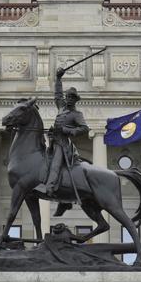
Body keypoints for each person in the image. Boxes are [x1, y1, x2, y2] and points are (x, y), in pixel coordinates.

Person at [45, 67, 90, 197]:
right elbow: (58, 94)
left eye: (72, 97)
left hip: (63, 144)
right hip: (53, 140)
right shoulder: (61, 107)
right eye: (68, 96)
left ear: (76, 100)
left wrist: (66, 130)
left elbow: (84, 128)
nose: (69, 99)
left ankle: (50, 187)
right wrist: (58, 78)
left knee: (56, 163)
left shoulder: (76, 114)